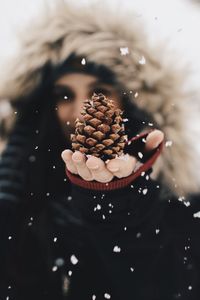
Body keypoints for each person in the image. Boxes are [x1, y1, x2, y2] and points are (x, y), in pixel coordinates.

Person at [0, 1, 199, 300]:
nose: (81, 112)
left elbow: (171, 285)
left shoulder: (178, 196)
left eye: (99, 92)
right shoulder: (21, 183)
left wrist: (119, 204)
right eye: (64, 94)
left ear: (130, 101)